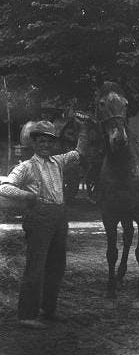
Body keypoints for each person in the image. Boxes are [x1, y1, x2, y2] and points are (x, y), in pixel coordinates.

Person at [0, 116, 91, 329]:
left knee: (57, 267)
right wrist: (26, 196)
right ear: (34, 143)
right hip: (38, 218)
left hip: (59, 217)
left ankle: (48, 310)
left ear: (53, 144)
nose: (46, 145)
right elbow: (4, 187)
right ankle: (26, 315)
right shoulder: (26, 167)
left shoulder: (58, 161)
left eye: (49, 141)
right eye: (41, 141)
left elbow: (79, 153)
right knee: (36, 266)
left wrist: (84, 130)